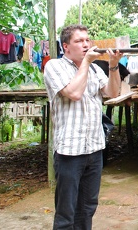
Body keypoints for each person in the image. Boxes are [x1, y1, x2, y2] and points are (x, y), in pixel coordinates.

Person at [43, 24, 123, 230]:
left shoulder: (96, 69)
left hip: (94, 150)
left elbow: (113, 93)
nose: (86, 44)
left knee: (87, 208)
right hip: (70, 152)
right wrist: (86, 63)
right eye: (79, 41)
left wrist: (113, 66)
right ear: (66, 47)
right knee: (66, 213)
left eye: (87, 40)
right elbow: (74, 93)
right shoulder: (54, 66)